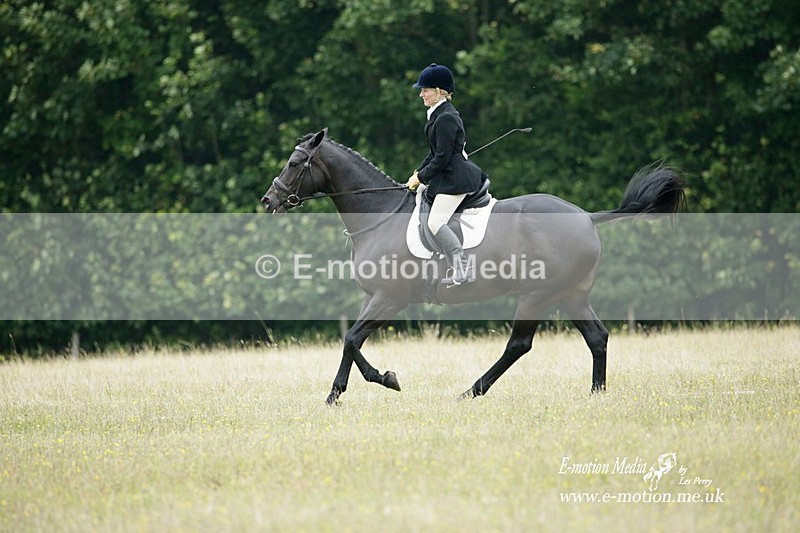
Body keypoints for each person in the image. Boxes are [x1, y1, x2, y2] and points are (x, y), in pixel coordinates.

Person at [406, 63, 485, 286]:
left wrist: (421, 178)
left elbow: (442, 158)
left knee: (435, 221)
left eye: (426, 90)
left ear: (440, 91)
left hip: (456, 178)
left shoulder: (446, 118)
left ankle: (462, 267)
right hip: (447, 174)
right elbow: (434, 153)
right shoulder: (437, 114)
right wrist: (417, 174)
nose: (421, 94)